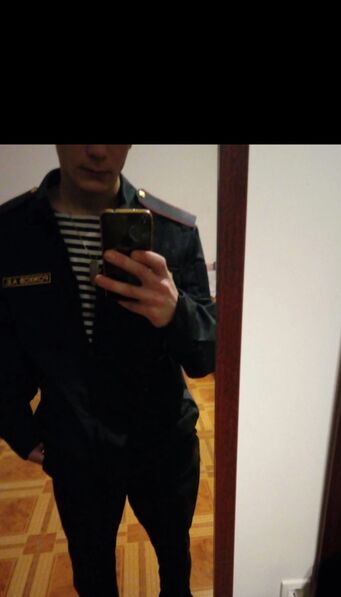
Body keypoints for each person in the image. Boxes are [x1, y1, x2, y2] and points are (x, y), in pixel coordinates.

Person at [0, 145, 216, 597]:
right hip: (76, 449)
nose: (98, 150)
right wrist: (17, 426)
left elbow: (206, 357)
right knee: (93, 576)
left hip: (163, 445)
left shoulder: (172, 231)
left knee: (175, 564)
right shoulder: (11, 231)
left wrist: (176, 312)